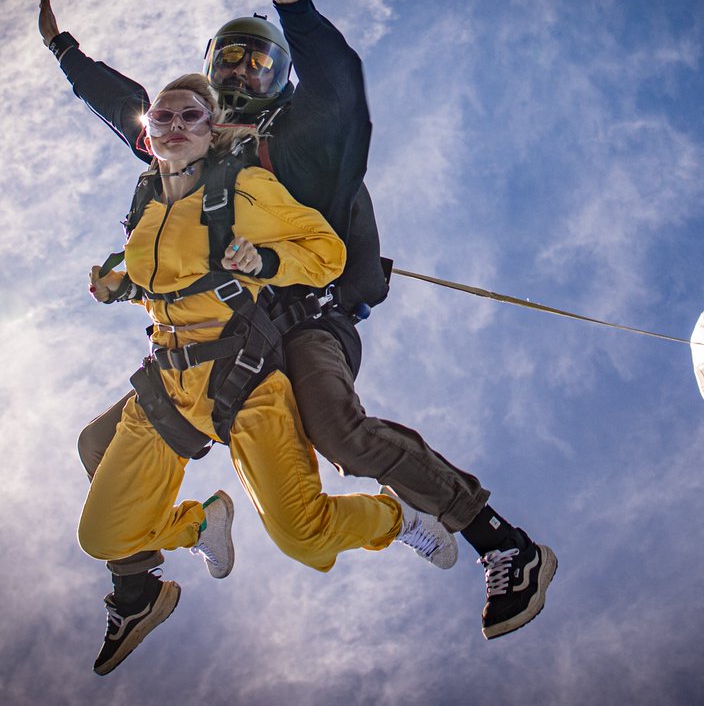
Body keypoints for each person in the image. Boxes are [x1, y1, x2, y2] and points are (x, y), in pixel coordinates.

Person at [39, 0, 557, 645]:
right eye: (227, 60)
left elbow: (340, 89)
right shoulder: (198, 145)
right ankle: (137, 585)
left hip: (304, 312)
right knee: (101, 445)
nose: (238, 71)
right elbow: (131, 109)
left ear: (282, 77)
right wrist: (66, 52)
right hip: (223, 329)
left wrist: (291, 1)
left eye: (257, 61)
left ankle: (503, 544)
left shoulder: (298, 139)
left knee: (336, 430)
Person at [79, 73, 456, 676]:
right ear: (147, 134)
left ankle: (399, 518)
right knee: (102, 537)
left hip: (243, 382)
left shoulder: (244, 188)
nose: (175, 127)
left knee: (304, 537)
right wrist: (118, 288)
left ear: (211, 131)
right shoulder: (145, 203)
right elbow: (164, 283)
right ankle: (199, 524)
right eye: (162, 118)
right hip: (168, 388)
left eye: (190, 117)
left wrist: (268, 261)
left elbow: (327, 255)